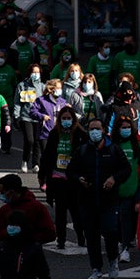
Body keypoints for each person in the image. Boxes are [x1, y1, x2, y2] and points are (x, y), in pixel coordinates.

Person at [67, 117, 132, 279]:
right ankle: (96, 268)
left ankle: (112, 261)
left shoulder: (114, 150)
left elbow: (126, 169)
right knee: (91, 236)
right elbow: (71, 171)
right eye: (91, 129)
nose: (94, 132)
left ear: (104, 130)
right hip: (87, 201)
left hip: (108, 201)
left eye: (97, 128)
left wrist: (114, 179)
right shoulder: (82, 150)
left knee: (110, 232)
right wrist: (79, 179)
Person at [41, 105, 85, 248]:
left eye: (69, 118)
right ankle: (61, 239)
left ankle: (81, 236)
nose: (66, 121)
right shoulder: (54, 134)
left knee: (76, 211)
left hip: (74, 179)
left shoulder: (80, 134)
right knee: (60, 212)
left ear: (73, 119)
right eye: (64, 118)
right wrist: (43, 176)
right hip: (58, 177)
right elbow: (47, 157)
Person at [111, 114, 140, 263]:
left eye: (128, 127)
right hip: (114, 188)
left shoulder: (135, 144)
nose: (126, 130)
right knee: (116, 221)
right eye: (123, 127)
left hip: (131, 188)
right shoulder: (113, 144)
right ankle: (119, 243)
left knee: (126, 218)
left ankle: (125, 247)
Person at [0, 173, 57, 246]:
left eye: (2, 192)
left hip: (30, 252)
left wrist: (29, 238)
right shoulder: (4, 209)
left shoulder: (37, 207)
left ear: (11, 192)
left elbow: (50, 233)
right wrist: (6, 233)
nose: (1, 195)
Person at [31, 77, 70, 186]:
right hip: (45, 133)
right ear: (51, 89)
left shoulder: (62, 102)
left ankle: (55, 179)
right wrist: (42, 116)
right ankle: (45, 180)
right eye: (57, 88)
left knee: (56, 158)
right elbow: (32, 112)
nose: (59, 90)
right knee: (47, 157)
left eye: (60, 88)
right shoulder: (41, 100)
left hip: (59, 134)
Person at [13, 62, 45, 173]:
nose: (35, 74)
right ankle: (25, 160)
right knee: (29, 140)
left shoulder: (42, 87)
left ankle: (36, 163)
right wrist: (16, 116)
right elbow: (17, 102)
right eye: (33, 72)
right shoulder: (22, 85)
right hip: (26, 116)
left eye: (37, 72)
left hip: (39, 118)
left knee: (37, 141)